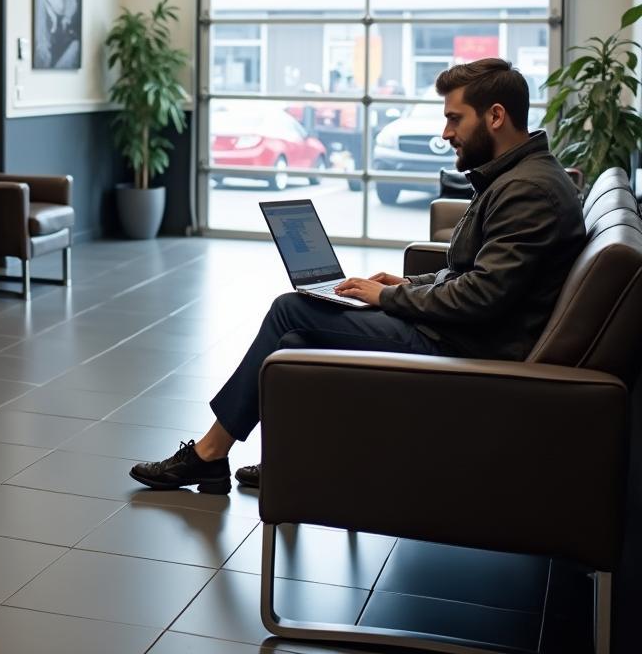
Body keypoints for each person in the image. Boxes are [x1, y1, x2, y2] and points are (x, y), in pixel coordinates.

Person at [130, 58, 586, 494]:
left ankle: (210, 453)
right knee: (295, 344)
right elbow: (475, 275)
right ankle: (284, 460)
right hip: (462, 335)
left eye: (454, 119)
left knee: (290, 310)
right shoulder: (520, 177)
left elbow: (483, 297)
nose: (446, 133)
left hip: (466, 349)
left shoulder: (527, 190)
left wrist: (386, 300)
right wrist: (407, 285)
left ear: (496, 116)